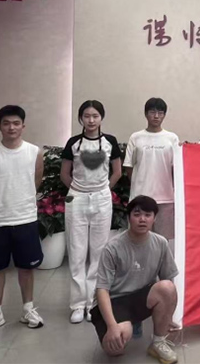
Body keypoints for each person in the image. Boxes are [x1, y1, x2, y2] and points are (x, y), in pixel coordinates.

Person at [0, 106, 45, 336]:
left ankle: (28, 309)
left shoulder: (34, 152)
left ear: (23, 126)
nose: (11, 127)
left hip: (25, 218)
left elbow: (36, 182)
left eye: (16, 123)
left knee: (27, 267)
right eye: (6, 123)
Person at [91, 196, 179, 364]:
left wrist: (168, 317)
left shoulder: (160, 243)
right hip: (115, 300)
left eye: (148, 215)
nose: (142, 219)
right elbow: (102, 289)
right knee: (115, 349)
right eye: (137, 214)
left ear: (155, 218)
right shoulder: (112, 247)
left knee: (167, 287)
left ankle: (158, 342)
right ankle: (127, 323)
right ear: (129, 217)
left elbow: (168, 280)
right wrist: (112, 326)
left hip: (140, 297)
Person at [61, 100, 122, 324]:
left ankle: (93, 303)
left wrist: (103, 190)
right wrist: (77, 190)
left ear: (101, 118)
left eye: (95, 116)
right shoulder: (73, 143)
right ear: (81, 118)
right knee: (77, 252)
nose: (91, 120)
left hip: (101, 199)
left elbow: (117, 171)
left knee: (99, 252)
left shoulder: (110, 142)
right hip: (77, 198)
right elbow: (64, 173)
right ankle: (77, 304)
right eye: (86, 116)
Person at [124, 98, 180, 242]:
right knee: (139, 239)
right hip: (140, 197)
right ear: (146, 114)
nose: (156, 116)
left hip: (165, 198)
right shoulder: (136, 137)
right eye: (152, 112)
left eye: (160, 113)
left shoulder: (172, 138)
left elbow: (175, 168)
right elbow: (129, 166)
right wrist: (139, 184)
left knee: (163, 240)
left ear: (164, 115)